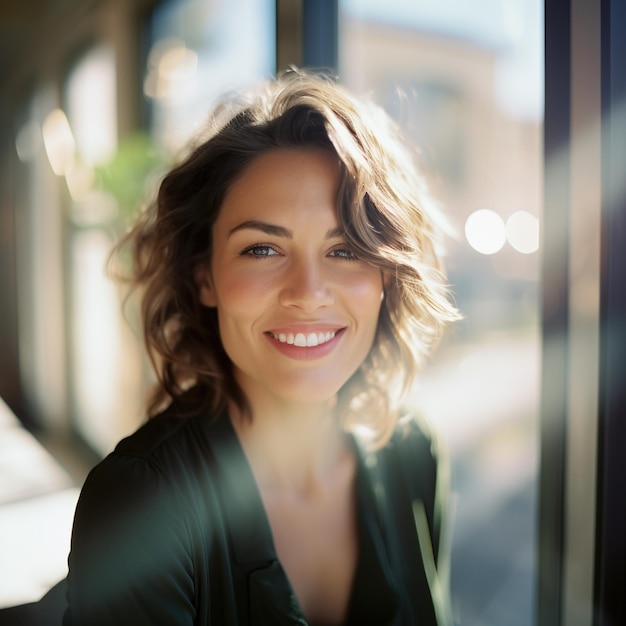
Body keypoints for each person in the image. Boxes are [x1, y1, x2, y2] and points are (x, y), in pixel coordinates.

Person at [63, 68, 460, 626]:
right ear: (205, 277)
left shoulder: (412, 451)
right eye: (262, 250)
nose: (307, 294)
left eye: (345, 250)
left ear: (387, 277)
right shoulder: (138, 502)